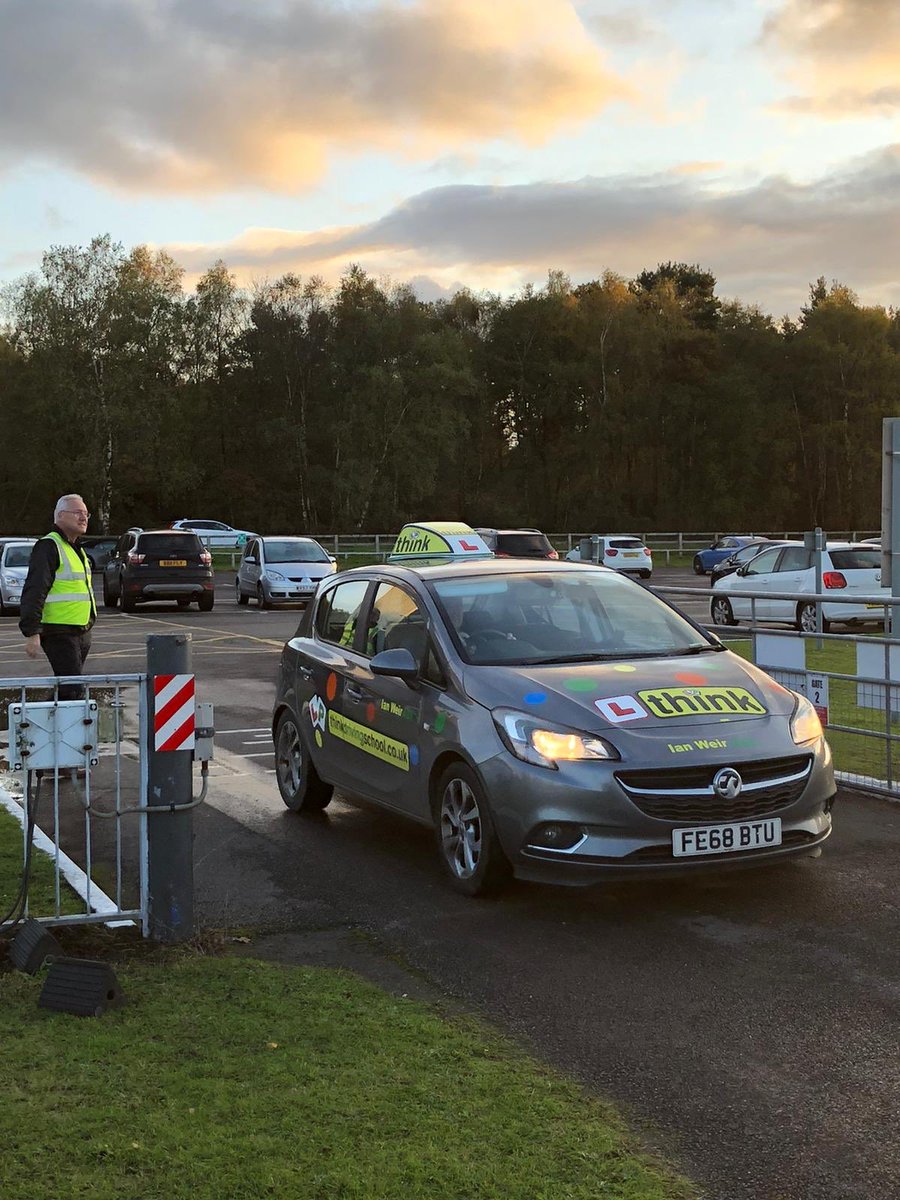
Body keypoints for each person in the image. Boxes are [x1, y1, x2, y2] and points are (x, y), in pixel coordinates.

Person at [19, 494, 97, 700]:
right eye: (77, 512)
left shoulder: (76, 548)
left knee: (68, 689)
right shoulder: (49, 546)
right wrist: (32, 632)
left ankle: (45, 719)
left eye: (86, 513)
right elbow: (35, 590)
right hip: (58, 630)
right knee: (72, 689)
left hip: (80, 629)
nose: (84, 518)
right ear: (61, 515)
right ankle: (41, 719)